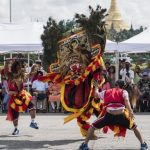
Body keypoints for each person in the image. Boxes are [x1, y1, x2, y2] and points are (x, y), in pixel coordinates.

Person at [79, 80, 148, 150]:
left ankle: (85, 145)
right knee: (135, 128)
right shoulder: (124, 91)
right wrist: (130, 111)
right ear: (123, 87)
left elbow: (96, 95)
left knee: (92, 126)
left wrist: (96, 87)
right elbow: (126, 101)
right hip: (121, 116)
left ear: (115, 85)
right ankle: (143, 145)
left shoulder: (106, 91)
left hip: (109, 116)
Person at [7, 60, 39, 135]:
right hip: (14, 98)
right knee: (15, 116)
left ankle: (33, 122)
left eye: (20, 67)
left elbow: (30, 75)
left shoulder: (22, 75)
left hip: (23, 96)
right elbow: (8, 91)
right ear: (14, 68)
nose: (19, 69)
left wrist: (33, 68)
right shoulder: (11, 77)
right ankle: (16, 129)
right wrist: (14, 92)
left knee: (32, 107)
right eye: (17, 68)